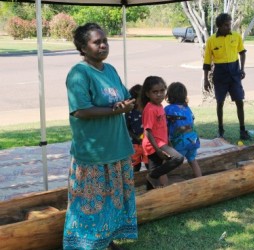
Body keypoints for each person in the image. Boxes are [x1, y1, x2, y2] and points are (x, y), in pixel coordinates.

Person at [63, 23, 137, 250]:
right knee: (88, 203)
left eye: (105, 40)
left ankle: (106, 240)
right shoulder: (79, 73)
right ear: (83, 47)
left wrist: (127, 104)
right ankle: (83, 244)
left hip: (116, 147)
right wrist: (116, 110)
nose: (103, 45)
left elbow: (124, 97)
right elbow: (81, 110)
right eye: (97, 42)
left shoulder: (111, 70)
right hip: (93, 151)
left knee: (112, 201)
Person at [203, 13, 250, 140]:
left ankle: (242, 130)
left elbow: (242, 53)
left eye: (230, 24)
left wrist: (242, 69)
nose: (229, 27)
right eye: (226, 25)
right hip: (220, 74)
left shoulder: (236, 36)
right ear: (219, 26)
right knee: (220, 102)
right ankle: (220, 129)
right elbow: (207, 61)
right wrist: (206, 79)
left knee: (239, 101)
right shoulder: (211, 40)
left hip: (234, 73)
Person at [141, 76, 184, 188]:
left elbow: (162, 126)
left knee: (154, 176)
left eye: (162, 91)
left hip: (161, 143)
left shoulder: (159, 106)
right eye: (155, 92)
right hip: (154, 145)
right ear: (147, 94)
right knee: (178, 158)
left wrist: (168, 141)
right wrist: (158, 149)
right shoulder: (150, 109)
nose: (159, 94)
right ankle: (152, 176)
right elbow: (148, 131)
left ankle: (150, 193)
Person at [165, 82, 202, 178]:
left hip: (180, 142)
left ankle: (162, 185)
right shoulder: (187, 108)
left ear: (169, 95)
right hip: (193, 140)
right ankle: (200, 180)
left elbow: (164, 127)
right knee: (192, 160)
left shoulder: (168, 109)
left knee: (165, 164)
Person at [126, 84, 149, 171]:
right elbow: (126, 128)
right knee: (136, 166)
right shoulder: (129, 112)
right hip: (135, 144)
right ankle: (134, 183)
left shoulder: (148, 110)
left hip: (147, 143)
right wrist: (136, 137)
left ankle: (150, 183)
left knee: (148, 165)